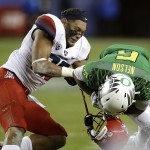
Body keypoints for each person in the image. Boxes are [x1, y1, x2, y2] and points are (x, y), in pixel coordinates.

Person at [0, 8, 91, 150]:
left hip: (24, 92)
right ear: (64, 22)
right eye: (76, 29)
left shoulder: (81, 47)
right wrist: (71, 73)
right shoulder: (51, 27)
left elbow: (83, 75)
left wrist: (103, 98)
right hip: (8, 78)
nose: (78, 35)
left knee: (56, 137)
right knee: (16, 129)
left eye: (82, 32)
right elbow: (39, 66)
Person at [73, 44, 150, 150]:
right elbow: (77, 74)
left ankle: (139, 144)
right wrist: (93, 94)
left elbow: (140, 109)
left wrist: (116, 111)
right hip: (111, 52)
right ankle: (139, 145)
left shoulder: (145, 84)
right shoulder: (98, 70)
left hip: (141, 57)